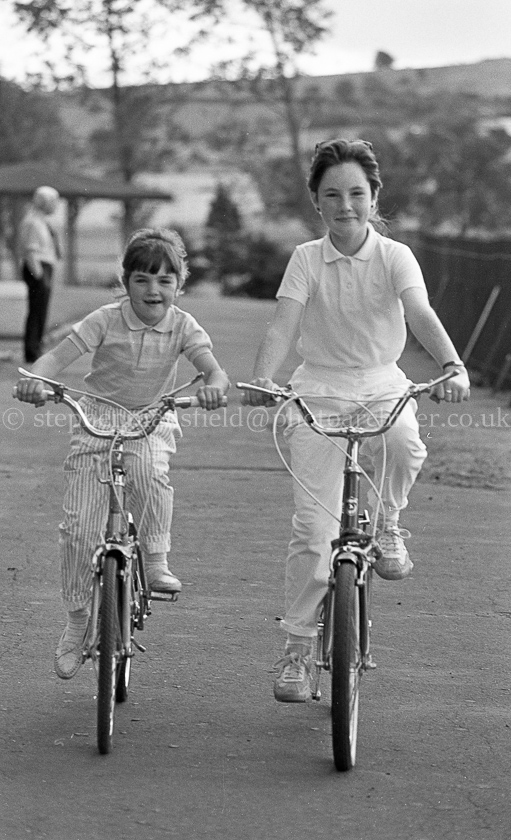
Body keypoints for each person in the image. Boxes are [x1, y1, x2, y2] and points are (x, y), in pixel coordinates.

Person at [243, 138, 470, 703]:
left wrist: (453, 365)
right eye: (332, 195)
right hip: (318, 386)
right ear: (316, 202)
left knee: (404, 441)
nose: (345, 205)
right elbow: (284, 322)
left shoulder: (395, 256)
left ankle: (389, 521)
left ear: (374, 198)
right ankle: (296, 649)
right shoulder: (305, 258)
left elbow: (419, 311)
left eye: (356, 194)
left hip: (380, 380)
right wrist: (265, 379)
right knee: (312, 531)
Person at [15, 228, 230, 680]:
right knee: (78, 529)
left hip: (151, 417)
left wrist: (213, 387)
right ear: (126, 283)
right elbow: (56, 358)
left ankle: (154, 561)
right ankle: (77, 621)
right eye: (142, 280)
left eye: (165, 281)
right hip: (98, 417)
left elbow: (212, 370)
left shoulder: (184, 326)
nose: (154, 290)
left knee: (149, 470)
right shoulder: (104, 320)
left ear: (179, 284)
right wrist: (36, 380)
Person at [19, 185, 61, 363]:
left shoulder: (44, 222)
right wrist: (39, 276)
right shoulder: (32, 222)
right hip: (37, 267)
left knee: (41, 310)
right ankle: (31, 350)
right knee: (36, 310)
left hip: (45, 266)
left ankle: (37, 347)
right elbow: (30, 251)